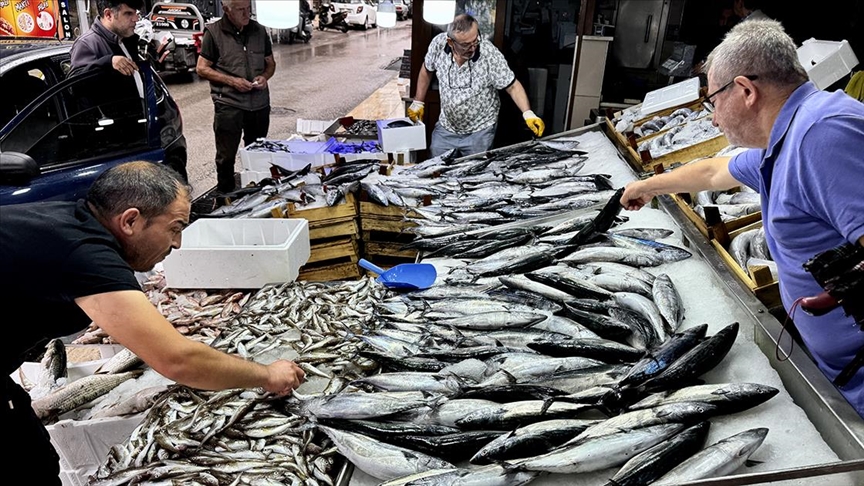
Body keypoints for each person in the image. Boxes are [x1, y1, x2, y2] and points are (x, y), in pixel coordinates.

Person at [0, 161, 306, 485]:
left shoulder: (68, 223)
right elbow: (178, 359)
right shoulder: (84, 254)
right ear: (130, 220)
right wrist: (268, 375)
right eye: (175, 228)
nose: (178, 245)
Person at [619, 19, 864, 416]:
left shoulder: (823, 134)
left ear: (746, 90)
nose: (713, 118)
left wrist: (842, 291)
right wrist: (649, 186)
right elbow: (714, 172)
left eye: (713, 101)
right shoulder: (784, 140)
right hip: (842, 371)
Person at [407, 14, 545, 158]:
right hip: (446, 127)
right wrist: (418, 101)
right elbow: (426, 70)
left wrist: (527, 113)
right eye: (466, 44)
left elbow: (512, 86)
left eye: (475, 40)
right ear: (450, 42)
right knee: (436, 169)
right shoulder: (439, 44)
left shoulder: (489, 54)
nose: (473, 47)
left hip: (480, 131)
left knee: (474, 174)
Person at [196, 0, 275, 194]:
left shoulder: (259, 31)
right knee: (226, 157)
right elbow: (202, 68)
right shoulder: (214, 32)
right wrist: (233, 81)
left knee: (257, 152)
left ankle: (256, 193)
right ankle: (225, 196)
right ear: (226, 10)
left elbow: (270, 64)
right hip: (229, 104)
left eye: (248, 9)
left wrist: (264, 77)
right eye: (241, 10)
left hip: (259, 104)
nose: (246, 14)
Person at [68, 0, 144, 78]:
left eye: (136, 13)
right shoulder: (86, 44)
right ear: (108, 15)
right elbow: (74, 83)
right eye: (128, 13)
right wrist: (108, 62)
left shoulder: (127, 39)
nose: (136, 19)